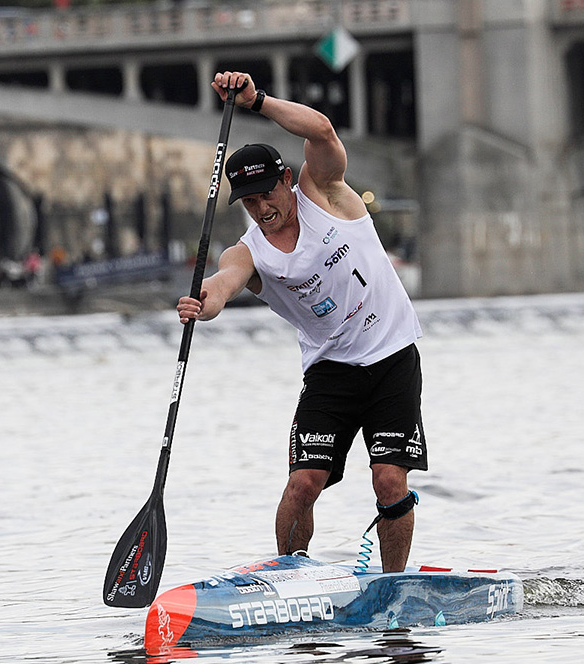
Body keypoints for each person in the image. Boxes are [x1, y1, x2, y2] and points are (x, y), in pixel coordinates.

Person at [177, 71, 427, 572]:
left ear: (286, 180)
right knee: (302, 483)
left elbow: (322, 132)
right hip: (330, 371)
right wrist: (205, 301)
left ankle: (393, 583)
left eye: (267, 195)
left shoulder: (325, 193)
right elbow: (226, 279)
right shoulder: (249, 250)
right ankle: (289, 577)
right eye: (249, 202)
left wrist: (258, 101)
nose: (262, 209)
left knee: (388, 481)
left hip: (392, 356)